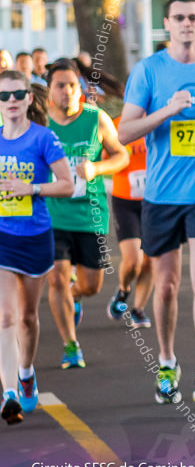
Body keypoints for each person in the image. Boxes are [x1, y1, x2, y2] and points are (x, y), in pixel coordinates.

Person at [118, 0, 195, 406]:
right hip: (162, 193)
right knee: (167, 285)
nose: (187, 24)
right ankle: (168, 360)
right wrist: (166, 112)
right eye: (179, 18)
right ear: (167, 24)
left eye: (193, 17)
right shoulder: (149, 71)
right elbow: (125, 132)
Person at [44, 59, 128, 369]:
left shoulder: (96, 118)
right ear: (49, 90)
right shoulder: (40, 123)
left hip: (90, 214)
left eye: (72, 85)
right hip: (52, 215)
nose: (67, 91)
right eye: (60, 85)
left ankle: (75, 295)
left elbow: (121, 154)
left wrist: (96, 168)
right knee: (56, 279)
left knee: (91, 285)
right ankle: (70, 344)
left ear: (80, 88)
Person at [0, 70, 74, 423]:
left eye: (17, 94)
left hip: (34, 236)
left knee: (28, 318)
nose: (10, 101)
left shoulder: (44, 139)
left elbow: (67, 184)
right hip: (2, 236)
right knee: (5, 317)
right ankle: (9, 391)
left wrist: (30, 189)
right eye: (3, 96)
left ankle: (26, 372)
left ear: (29, 99)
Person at [107, 114, 154, 329]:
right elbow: (103, 158)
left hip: (155, 200)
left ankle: (138, 309)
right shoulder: (115, 125)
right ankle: (124, 290)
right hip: (125, 200)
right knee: (134, 260)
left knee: (150, 260)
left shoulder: (160, 119)